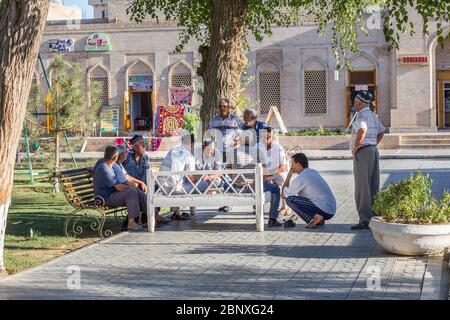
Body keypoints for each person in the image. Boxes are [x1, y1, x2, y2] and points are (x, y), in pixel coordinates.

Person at [227, 133, 283, 228]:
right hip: (254, 188)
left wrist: (237, 180)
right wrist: (266, 180)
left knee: (225, 185)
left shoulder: (232, 152)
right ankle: (272, 219)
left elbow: (228, 171)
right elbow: (264, 171)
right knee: (276, 189)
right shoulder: (258, 152)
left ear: (240, 140)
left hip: (236, 188)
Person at [350, 90, 385, 230]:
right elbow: (382, 130)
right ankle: (375, 216)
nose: (353, 104)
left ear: (359, 103)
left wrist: (356, 146)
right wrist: (374, 143)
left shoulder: (361, 116)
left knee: (362, 187)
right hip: (373, 151)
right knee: (372, 184)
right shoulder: (372, 115)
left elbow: (362, 130)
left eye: (354, 102)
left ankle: (365, 219)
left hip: (363, 152)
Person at [93, 145, 145, 231]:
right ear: (115, 157)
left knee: (138, 192)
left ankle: (153, 215)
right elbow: (119, 187)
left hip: (113, 194)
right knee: (132, 192)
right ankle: (131, 223)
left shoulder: (107, 164)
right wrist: (132, 188)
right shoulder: (104, 168)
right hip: (106, 198)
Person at [159, 133, 208, 220]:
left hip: (162, 187)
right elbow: (191, 178)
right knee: (204, 184)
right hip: (176, 190)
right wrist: (202, 175)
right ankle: (192, 210)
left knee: (178, 179)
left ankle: (176, 212)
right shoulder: (189, 156)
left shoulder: (172, 150)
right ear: (192, 145)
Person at [208, 98, 245, 212]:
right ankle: (225, 202)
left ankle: (230, 203)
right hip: (218, 153)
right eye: (220, 106)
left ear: (229, 107)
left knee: (229, 177)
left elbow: (244, 135)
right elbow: (210, 136)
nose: (222, 108)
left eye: (224, 106)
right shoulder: (213, 120)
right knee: (222, 177)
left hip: (231, 152)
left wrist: (236, 142)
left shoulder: (236, 120)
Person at [281, 153, 336, 229]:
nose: (291, 166)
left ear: (298, 164)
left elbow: (283, 195)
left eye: (292, 164)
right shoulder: (313, 172)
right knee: (302, 198)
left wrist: (288, 176)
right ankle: (319, 219)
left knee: (289, 199)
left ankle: (315, 218)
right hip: (331, 211)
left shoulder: (302, 177)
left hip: (324, 209)